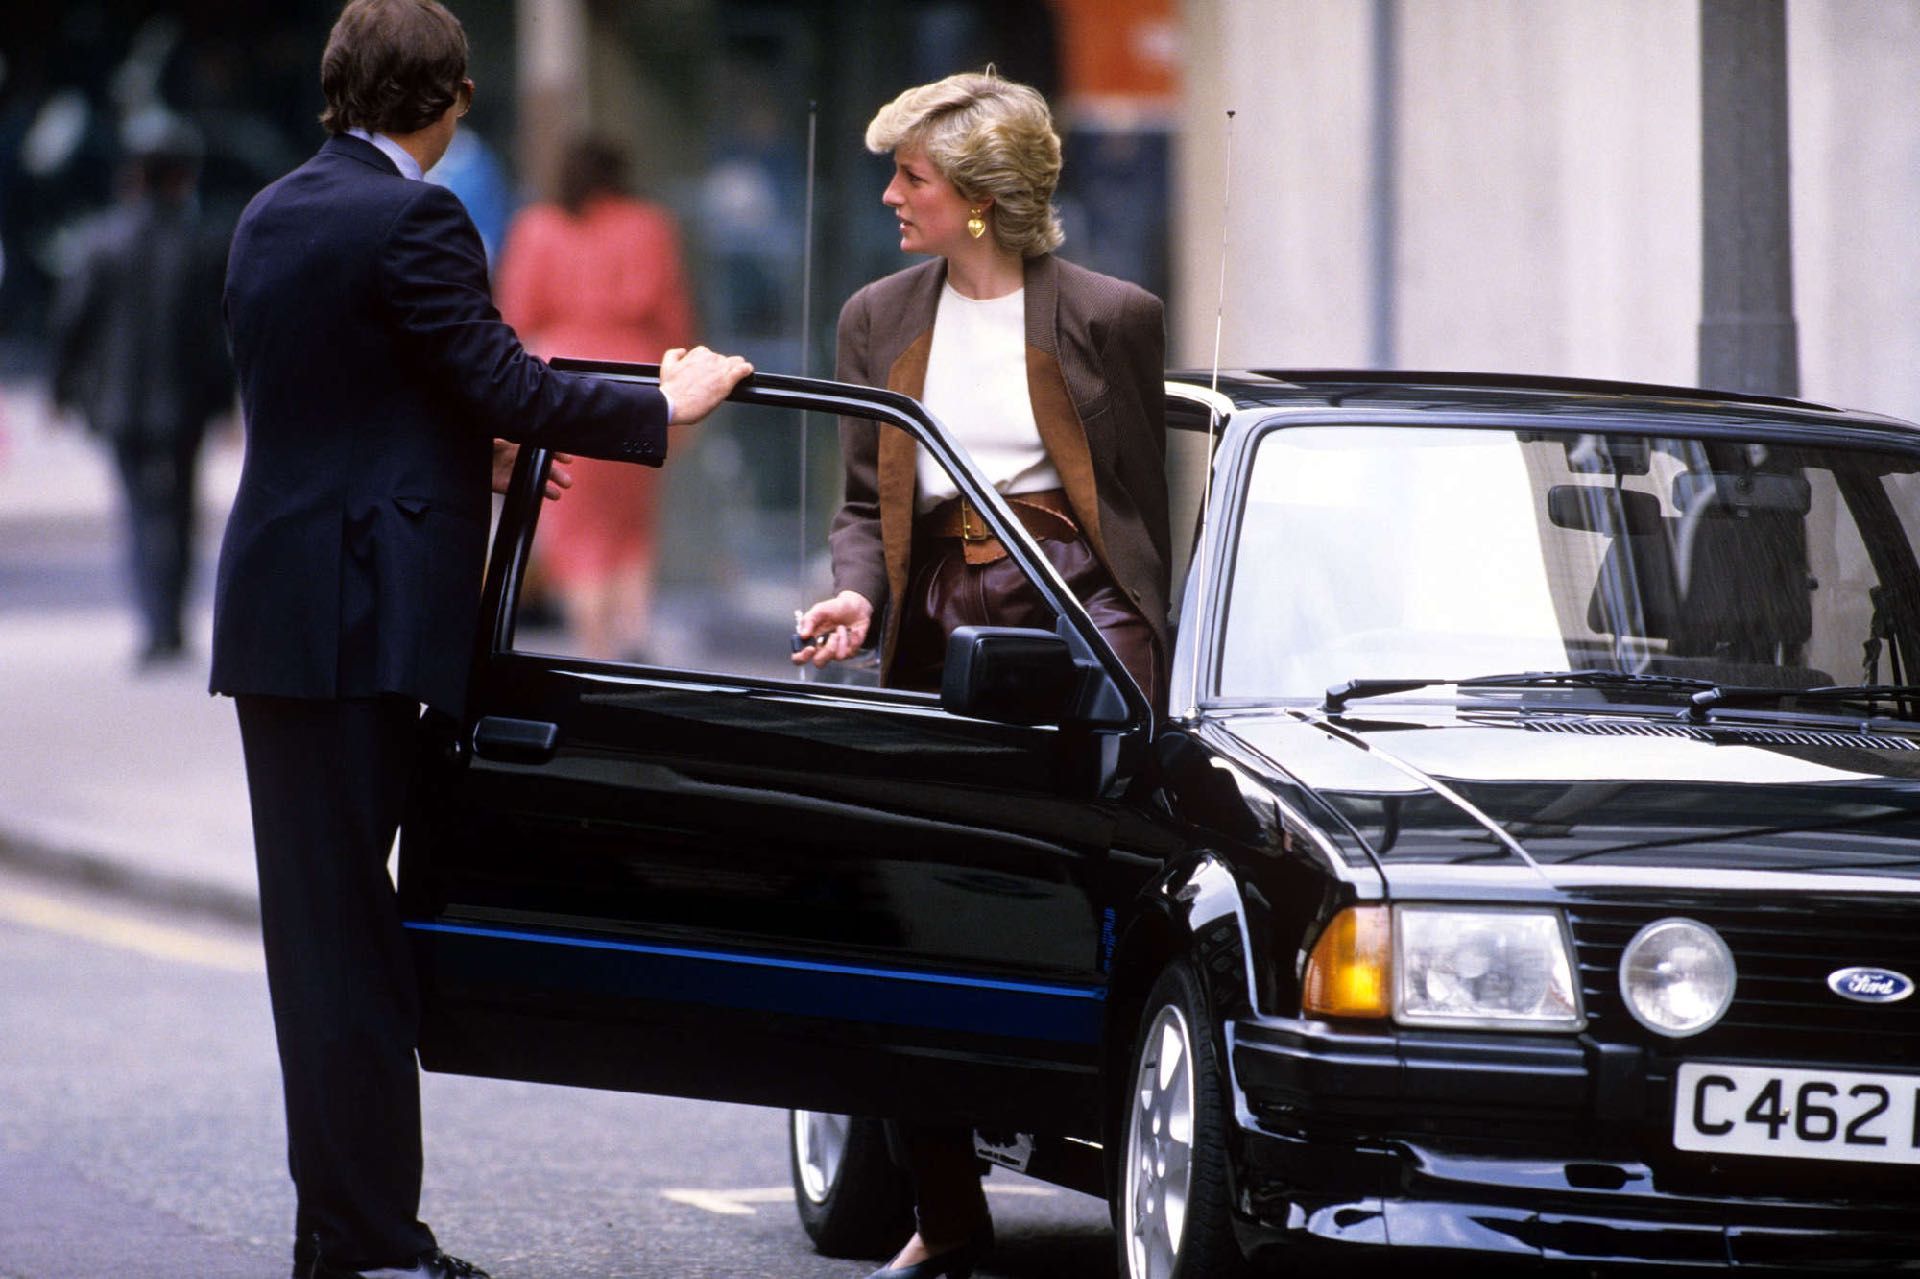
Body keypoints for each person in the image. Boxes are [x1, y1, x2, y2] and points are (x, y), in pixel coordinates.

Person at [208, 3, 751, 1277]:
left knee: (324, 943)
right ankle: (375, 1248)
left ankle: (342, 1235)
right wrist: (661, 404)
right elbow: (502, 377)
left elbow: (349, 400)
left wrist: (475, 454)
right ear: (446, 101)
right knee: (349, 950)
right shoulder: (418, 214)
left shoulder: (271, 208)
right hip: (361, 624)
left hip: (287, 614)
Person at [790, 70, 1170, 1279]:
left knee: (1099, 896)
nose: (891, 193)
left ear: (983, 198)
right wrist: (859, 589)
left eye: (913, 176)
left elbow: (1142, 517)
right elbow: (866, 503)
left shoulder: (1115, 316)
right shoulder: (874, 317)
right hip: (938, 621)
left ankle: (1133, 1160)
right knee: (912, 911)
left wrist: (1156, 654)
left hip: (1081, 618)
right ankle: (948, 1214)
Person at [497, 135, 695, 660]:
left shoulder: (538, 228)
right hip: (639, 378)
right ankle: (633, 632)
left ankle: (595, 652)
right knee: (632, 525)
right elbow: (674, 318)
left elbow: (515, 316)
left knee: (577, 530)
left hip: (566, 380)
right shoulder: (649, 226)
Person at [49, 110, 233, 668]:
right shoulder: (202, 244)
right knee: (177, 509)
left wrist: (61, 390)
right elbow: (219, 332)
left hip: (123, 402)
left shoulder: (104, 240)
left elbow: (71, 322)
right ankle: (170, 622)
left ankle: (156, 623)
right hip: (186, 401)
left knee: (139, 508)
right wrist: (226, 399)